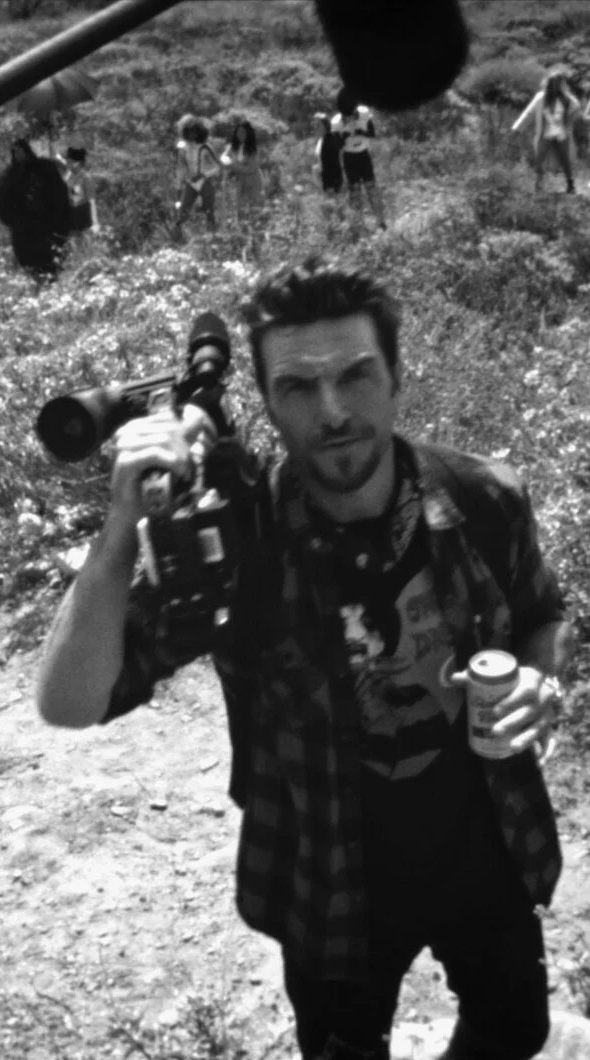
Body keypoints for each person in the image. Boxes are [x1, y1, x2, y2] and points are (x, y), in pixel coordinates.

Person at [36, 256, 572, 1060]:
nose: (333, 412)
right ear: (267, 403)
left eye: (356, 375)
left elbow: (542, 613)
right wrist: (120, 532)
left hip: (488, 844)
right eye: (297, 388)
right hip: (329, 875)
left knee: (514, 1029)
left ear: (397, 375)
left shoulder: (484, 498)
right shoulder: (240, 546)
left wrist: (541, 678)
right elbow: (68, 702)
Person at [0, 138, 72, 279]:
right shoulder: (10, 175)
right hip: (23, 230)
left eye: (21, 151)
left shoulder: (45, 168)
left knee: (51, 261)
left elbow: (59, 194)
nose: (18, 155)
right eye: (15, 152)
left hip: (48, 225)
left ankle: (51, 283)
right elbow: (1, 199)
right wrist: (11, 219)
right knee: (30, 264)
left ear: (27, 151)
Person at [511, 70, 580, 193]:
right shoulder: (541, 97)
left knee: (565, 159)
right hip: (545, 133)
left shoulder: (566, 98)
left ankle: (570, 185)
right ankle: (538, 185)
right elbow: (529, 113)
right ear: (549, 83)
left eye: (559, 82)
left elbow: (576, 108)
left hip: (561, 133)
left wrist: (569, 121)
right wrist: (517, 128)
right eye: (554, 82)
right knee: (539, 159)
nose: (556, 85)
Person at [331, 87, 387, 229]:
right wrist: (344, 137)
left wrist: (362, 132)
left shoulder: (364, 113)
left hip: (363, 154)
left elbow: (373, 133)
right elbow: (337, 146)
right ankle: (359, 224)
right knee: (354, 190)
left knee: (371, 187)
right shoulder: (336, 123)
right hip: (349, 157)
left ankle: (380, 221)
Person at [174, 114, 221, 237]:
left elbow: (217, 166)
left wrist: (203, 175)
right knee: (183, 212)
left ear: (199, 132)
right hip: (191, 183)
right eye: (189, 132)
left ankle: (213, 238)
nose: (192, 135)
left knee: (209, 212)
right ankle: (177, 238)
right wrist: (179, 185)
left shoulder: (205, 147)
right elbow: (180, 168)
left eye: (194, 132)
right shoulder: (183, 148)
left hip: (204, 183)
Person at [220, 120, 265, 232]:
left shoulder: (253, 148)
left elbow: (251, 168)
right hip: (240, 181)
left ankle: (256, 236)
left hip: (253, 180)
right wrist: (226, 160)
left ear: (248, 134)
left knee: (255, 209)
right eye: (238, 132)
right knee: (240, 210)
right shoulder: (232, 147)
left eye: (243, 133)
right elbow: (223, 157)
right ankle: (242, 235)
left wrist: (233, 166)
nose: (240, 135)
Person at [56, 145, 100, 238]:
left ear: (78, 163)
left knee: (82, 244)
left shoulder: (86, 178)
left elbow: (92, 202)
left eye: (70, 162)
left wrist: (95, 223)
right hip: (70, 214)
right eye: (67, 161)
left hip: (83, 215)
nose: (68, 164)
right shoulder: (68, 176)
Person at [313, 112, 344, 195]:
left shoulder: (329, 140)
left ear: (325, 126)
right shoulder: (323, 139)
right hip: (328, 182)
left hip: (331, 183)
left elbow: (331, 164)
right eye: (315, 124)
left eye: (318, 125)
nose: (315, 127)